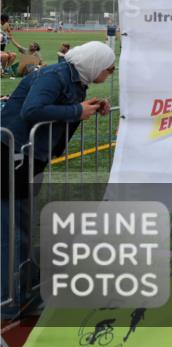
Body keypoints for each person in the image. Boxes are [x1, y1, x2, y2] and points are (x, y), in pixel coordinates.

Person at [1, 41, 115, 319]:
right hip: (11, 154)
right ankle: (9, 299)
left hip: (26, 155)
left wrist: (89, 106)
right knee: (11, 229)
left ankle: (21, 287)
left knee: (21, 225)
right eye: (109, 68)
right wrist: (77, 111)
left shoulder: (74, 78)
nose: (109, 73)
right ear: (94, 63)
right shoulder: (54, 75)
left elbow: (61, 106)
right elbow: (32, 110)